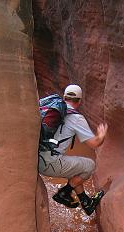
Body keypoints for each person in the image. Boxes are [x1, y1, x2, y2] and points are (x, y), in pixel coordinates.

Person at [38, 84, 108, 216]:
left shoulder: (52, 107)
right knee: (89, 165)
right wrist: (101, 135)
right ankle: (64, 193)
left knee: (75, 167)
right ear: (80, 101)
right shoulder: (76, 118)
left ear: (64, 97)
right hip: (49, 163)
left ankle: (86, 203)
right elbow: (94, 143)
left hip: (37, 158)